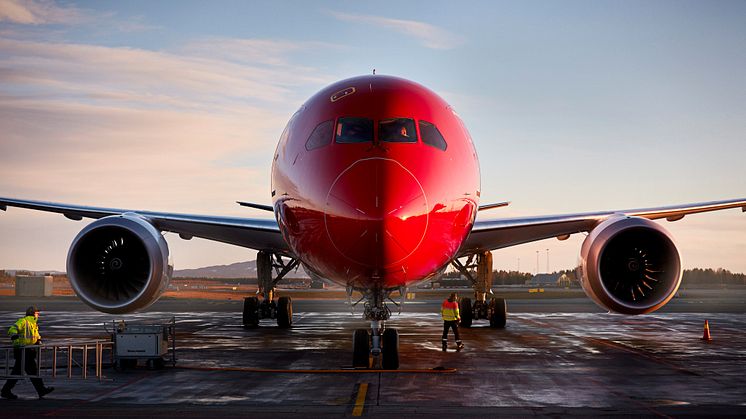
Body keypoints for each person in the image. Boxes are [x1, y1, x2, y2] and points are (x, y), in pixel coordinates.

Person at [1, 306, 54, 400]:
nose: (38, 315)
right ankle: (40, 390)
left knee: (20, 372)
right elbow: (12, 329)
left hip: (28, 350)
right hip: (23, 350)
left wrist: (38, 340)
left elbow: (35, 335)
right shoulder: (24, 321)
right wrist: (16, 339)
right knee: (31, 371)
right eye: (37, 313)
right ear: (33, 313)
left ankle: (6, 391)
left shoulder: (33, 324)